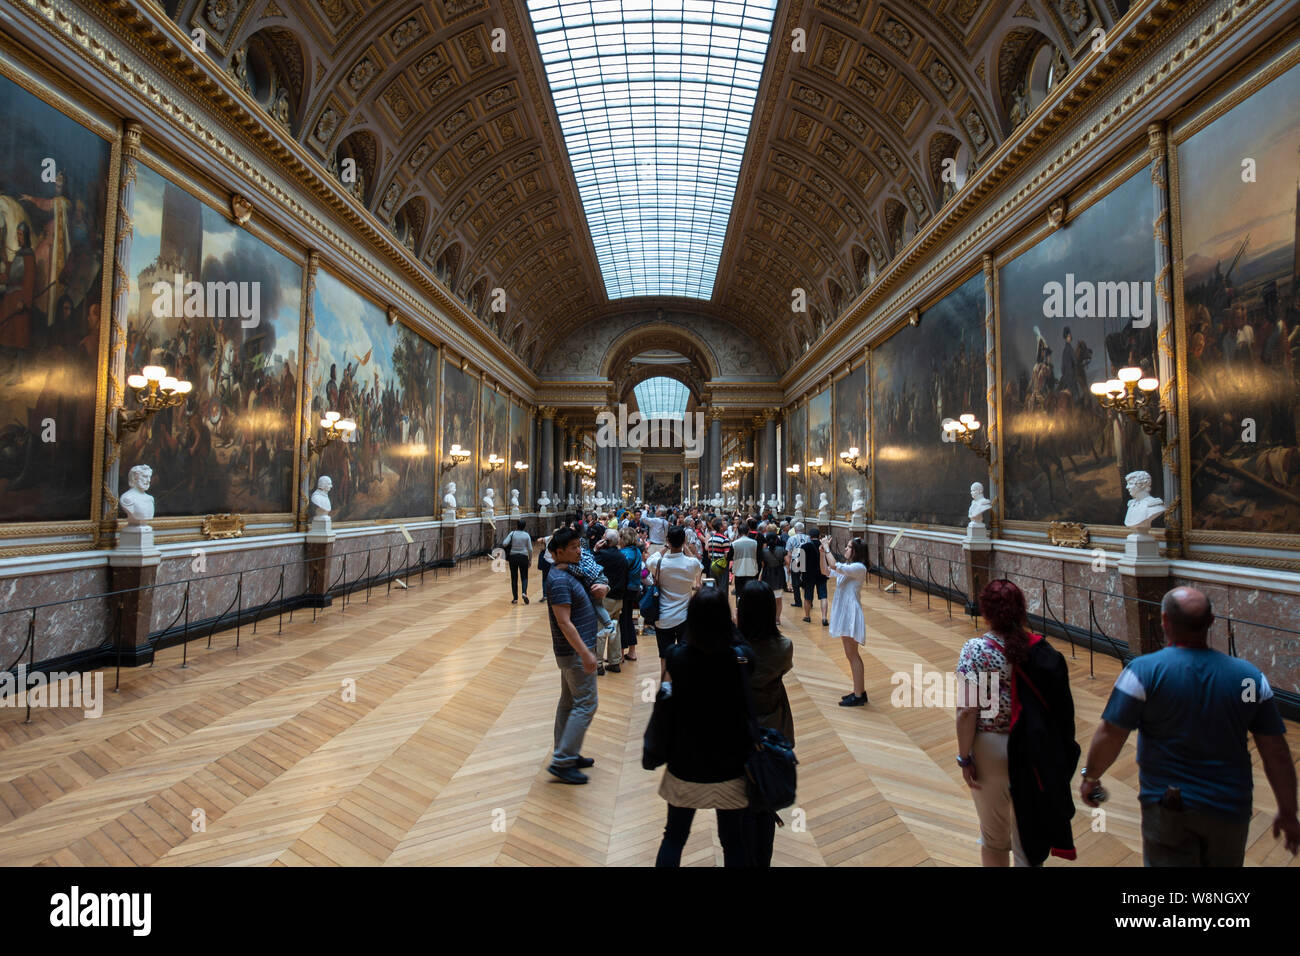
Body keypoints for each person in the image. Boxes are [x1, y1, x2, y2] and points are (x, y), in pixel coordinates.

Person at [1080, 586, 1299, 865]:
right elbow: (1276, 751)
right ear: (1211, 622)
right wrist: (1288, 811)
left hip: (1170, 811)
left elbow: (1111, 734)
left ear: (1164, 622)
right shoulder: (1248, 678)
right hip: (1230, 809)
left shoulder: (1143, 672)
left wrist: (1091, 776)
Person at [958, 579, 1079, 867]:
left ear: (985, 612)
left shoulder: (975, 650)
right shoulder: (1040, 650)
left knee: (994, 838)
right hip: (1033, 749)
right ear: (1021, 610)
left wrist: (964, 757)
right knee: (1029, 838)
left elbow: (966, 711)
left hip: (990, 748)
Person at [655, 587, 754, 867]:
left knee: (673, 837)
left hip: (685, 761)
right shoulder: (741, 659)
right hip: (730, 762)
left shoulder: (677, 657)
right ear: (726, 619)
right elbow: (745, 650)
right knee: (733, 841)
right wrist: (729, 626)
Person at [736, 580, 793, 866]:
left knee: (741, 805)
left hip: (738, 732)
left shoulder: (733, 651)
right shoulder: (784, 646)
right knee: (765, 804)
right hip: (773, 729)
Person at [544, 529, 604, 784]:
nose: (579, 551)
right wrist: (585, 653)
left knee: (569, 703)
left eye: (579, 546)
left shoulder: (569, 573)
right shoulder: (558, 579)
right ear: (559, 552)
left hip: (574, 653)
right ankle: (563, 759)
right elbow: (564, 623)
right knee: (587, 703)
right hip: (575, 653)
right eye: (573, 547)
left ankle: (565, 752)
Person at [822, 537, 869, 705]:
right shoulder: (850, 567)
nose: (846, 549)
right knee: (851, 655)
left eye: (849, 547)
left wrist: (827, 548)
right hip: (845, 611)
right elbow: (826, 571)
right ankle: (859, 692)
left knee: (853, 655)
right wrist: (822, 553)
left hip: (850, 613)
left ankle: (858, 696)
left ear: (856, 551)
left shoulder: (859, 567)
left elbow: (834, 566)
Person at [653, 524, 702, 682]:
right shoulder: (690, 564)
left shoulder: (660, 563)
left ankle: (666, 690)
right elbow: (698, 564)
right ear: (684, 541)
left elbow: (651, 559)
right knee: (686, 656)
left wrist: (666, 547)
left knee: (664, 658)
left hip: (663, 616)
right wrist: (685, 546)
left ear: (668, 540)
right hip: (684, 617)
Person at [592, 528, 629, 672]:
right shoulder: (622, 556)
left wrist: (595, 549)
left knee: (601, 629)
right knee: (615, 629)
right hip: (619, 598)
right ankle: (614, 661)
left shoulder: (602, 555)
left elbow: (589, 565)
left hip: (605, 598)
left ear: (606, 541)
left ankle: (598, 664)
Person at [618, 526, 643, 661]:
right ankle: (632, 651)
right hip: (634, 588)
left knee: (623, 620)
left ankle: (620, 654)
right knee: (628, 619)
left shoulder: (626, 553)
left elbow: (621, 570)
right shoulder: (637, 551)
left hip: (626, 589)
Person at [799, 527, 828, 625]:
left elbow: (801, 564)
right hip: (821, 574)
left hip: (808, 575)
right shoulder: (823, 546)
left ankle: (807, 616)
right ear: (819, 536)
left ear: (809, 536)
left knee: (808, 597)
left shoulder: (804, 546)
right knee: (823, 596)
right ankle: (824, 618)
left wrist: (801, 575)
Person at [501, 519, 533, 605]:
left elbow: (504, 543)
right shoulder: (526, 535)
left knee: (514, 577)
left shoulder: (512, 533)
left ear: (517, 525)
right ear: (524, 526)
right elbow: (530, 549)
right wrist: (530, 560)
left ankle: (515, 598)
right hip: (523, 557)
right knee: (524, 577)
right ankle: (524, 593)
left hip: (513, 557)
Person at [758, 531, 787, 624]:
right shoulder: (782, 549)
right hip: (779, 574)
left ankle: (769, 618)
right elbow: (787, 562)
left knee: (768, 599)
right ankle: (777, 619)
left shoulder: (763, 551)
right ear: (776, 539)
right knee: (778, 600)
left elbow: (762, 565)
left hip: (767, 575)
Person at [731, 518, 760, 597]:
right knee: (750, 594)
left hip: (738, 571)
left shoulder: (734, 544)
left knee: (739, 593)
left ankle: (738, 607)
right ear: (748, 532)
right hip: (751, 571)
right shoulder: (754, 543)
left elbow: (730, 557)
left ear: (738, 532)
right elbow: (758, 556)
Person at [787, 521, 809, 607]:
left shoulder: (791, 538)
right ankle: (808, 601)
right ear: (803, 529)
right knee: (806, 582)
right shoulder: (808, 538)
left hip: (795, 560)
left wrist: (788, 566)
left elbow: (789, 553)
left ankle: (798, 602)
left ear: (795, 529)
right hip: (805, 560)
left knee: (795, 582)